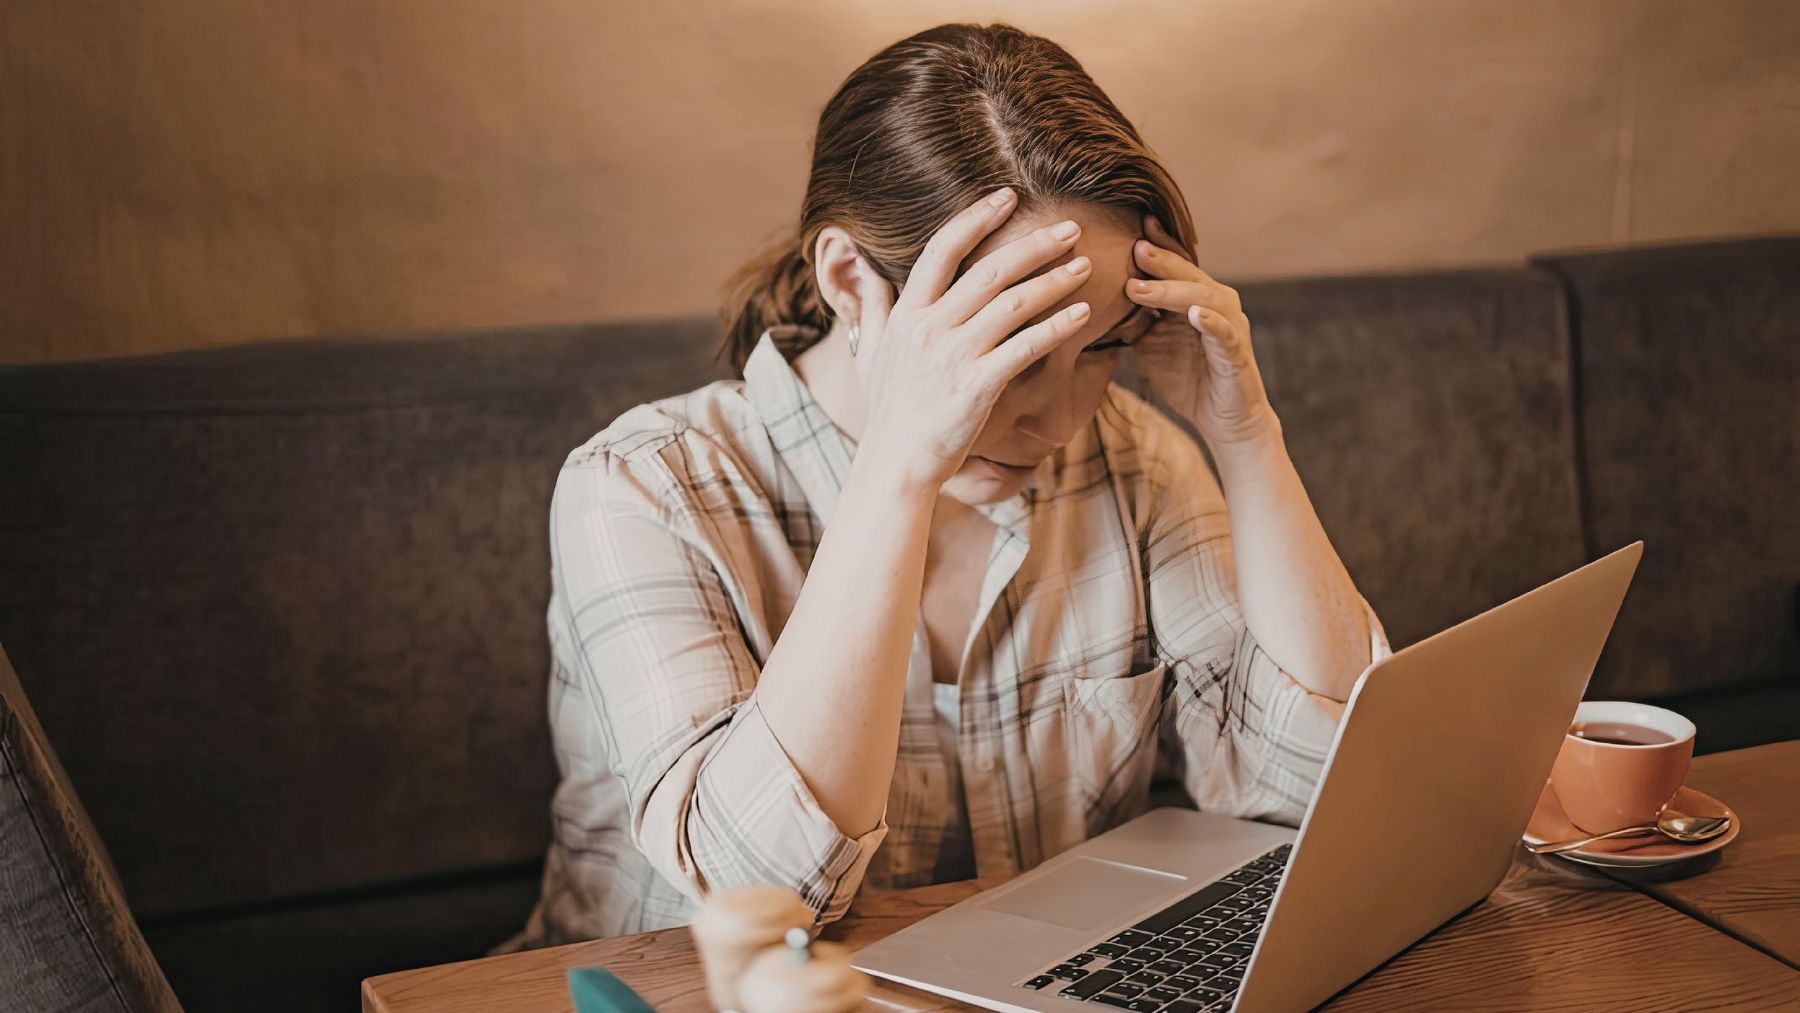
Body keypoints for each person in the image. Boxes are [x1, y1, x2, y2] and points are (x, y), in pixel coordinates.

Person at [499, 22, 1389, 951]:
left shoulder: (1133, 461)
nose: (1060, 421)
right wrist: (898, 471)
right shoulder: (644, 489)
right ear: (849, 278)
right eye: (1010, 353)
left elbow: (1316, 795)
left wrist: (1246, 438)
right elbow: (754, 893)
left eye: (1101, 351)